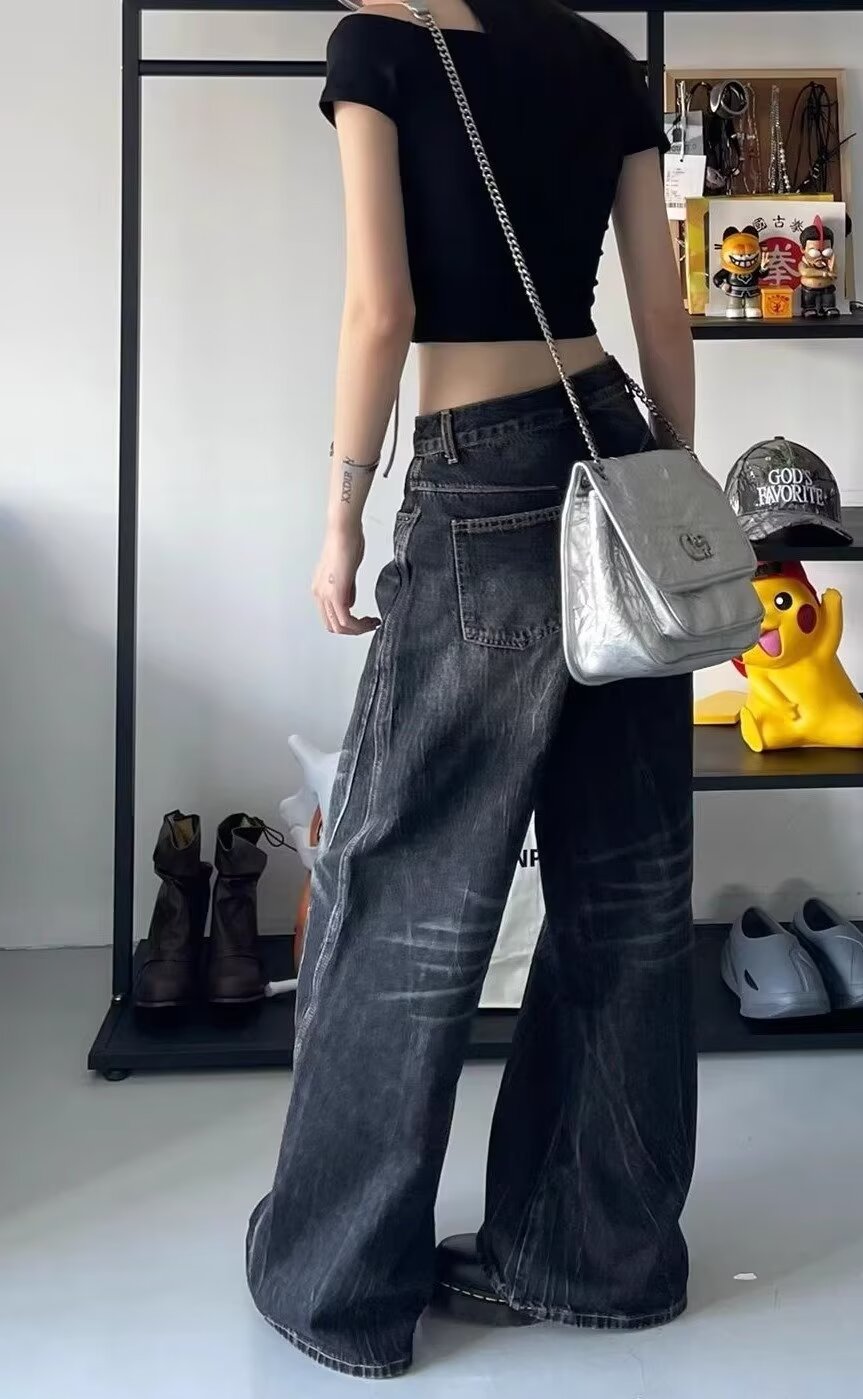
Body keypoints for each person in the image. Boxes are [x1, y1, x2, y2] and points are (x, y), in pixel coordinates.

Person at [246, 0, 698, 1378]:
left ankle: (341, 1285)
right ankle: (594, 1261)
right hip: (616, 445)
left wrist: (340, 516)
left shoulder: (375, 45)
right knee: (624, 892)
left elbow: (381, 309)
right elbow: (659, 305)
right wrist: (664, 494)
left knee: (402, 885)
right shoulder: (603, 57)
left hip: (480, 473)